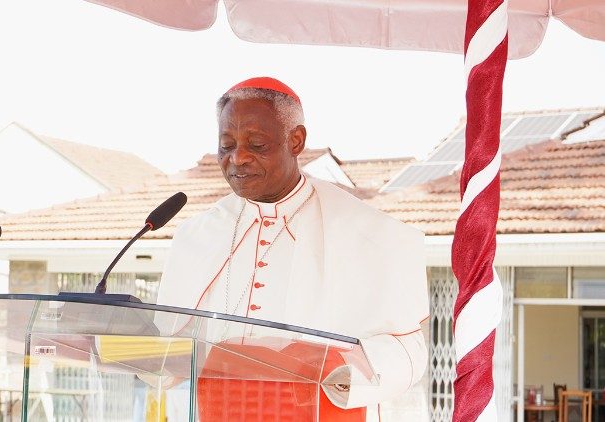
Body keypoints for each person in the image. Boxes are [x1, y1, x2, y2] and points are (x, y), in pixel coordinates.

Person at [156, 77, 428, 421]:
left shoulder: (366, 232)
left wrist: (340, 368)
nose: (238, 158)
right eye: (226, 145)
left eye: (256, 144)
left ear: (296, 140)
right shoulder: (197, 235)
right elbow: (166, 352)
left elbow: (409, 351)